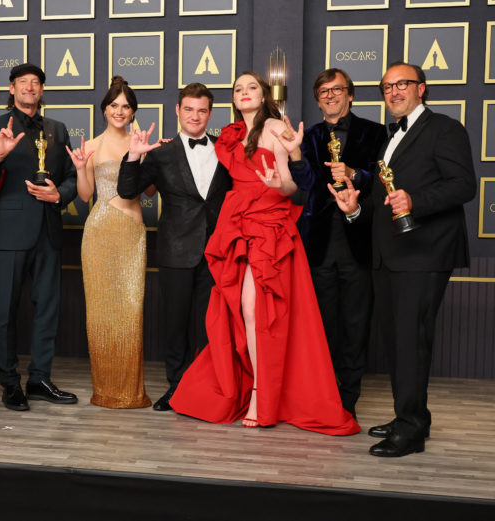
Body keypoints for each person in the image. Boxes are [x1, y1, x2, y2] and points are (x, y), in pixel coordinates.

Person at [169, 71, 359, 436]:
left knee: (257, 309)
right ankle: (252, 384)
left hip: (268, 220)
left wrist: (283, 175)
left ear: (264, 94)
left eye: (251, 87)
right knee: (240, 310)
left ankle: (262, 392)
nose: (244, 92)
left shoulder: (275, 127)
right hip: (237, 221)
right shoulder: (229, 134)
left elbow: (290, 185)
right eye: (238, 88)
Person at [329, 62, 476, 455]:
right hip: (390, 255)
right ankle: (409, 416)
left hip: (424, 254)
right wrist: (354, 208)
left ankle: (411, 430)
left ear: (421, 89)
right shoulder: (389, 138)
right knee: (396, 342)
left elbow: (465, 185)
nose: (393, 92)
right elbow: (383, 198)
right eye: (386, 87)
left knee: (411, 341)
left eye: (402, 84)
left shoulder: (445, 129)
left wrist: (417, 200)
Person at [117, 82, 232, 411]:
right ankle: (177, 387)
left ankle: (210, 386)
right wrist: (134, 155)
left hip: (217, 252)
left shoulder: (226, 150)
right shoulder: (161, 153)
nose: (195, 116)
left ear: (210, 114)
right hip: (175, 251)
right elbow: (127, 191)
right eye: (189, 109)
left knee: (209, 325)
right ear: (178, 112)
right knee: (175, 324)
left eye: (202, 110)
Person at [0, 63, 78, 411]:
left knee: (48, 309)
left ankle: (39, 378)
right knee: (3, 311)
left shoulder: (58, 130)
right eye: (23, 82)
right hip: (9, 231)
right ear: (12, 88)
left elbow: (70, 178)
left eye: (35, 83)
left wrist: (60, 195)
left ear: (42, 90)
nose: (30, 87)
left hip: (49, 229)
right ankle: (9, 383)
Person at [290, 69, 388, 417]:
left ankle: (348, 399)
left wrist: (353, 174)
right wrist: (297, 157)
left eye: (337, 90)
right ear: (317, 100)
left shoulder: (376, 132)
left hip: (359, 242)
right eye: (323, 92)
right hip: (318, 243)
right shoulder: (311, 135)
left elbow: (383, 178)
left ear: (351, 95)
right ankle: (322, 394)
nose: (330, 96)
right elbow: (305, 183)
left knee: (355, 325)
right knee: (321, 324)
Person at [68, 76, 152, 408]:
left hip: (132, 233)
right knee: (100, 315)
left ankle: (130, 391)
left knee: (131, 313)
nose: (119, 111)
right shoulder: (90, 146)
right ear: (104, 109)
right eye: (114, 105)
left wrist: (145, 159)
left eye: (126, 106)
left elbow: (148, 192)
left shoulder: (139, 142)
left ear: (133, 112)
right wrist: (79, 169)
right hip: (99, 232)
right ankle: (104, 389)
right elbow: (86, 195)